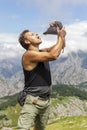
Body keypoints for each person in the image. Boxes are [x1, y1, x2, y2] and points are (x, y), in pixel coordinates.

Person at [17, 21, 66, 130]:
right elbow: (53, 55)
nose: (36, 34)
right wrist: (61, 36)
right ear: (27, 41)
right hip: (33, 101)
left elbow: (60, 47)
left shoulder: (41, 52)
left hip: (45, 101)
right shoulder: (28, 55)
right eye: (32, 34)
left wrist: (60, 31)